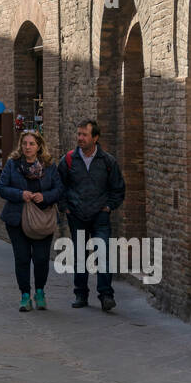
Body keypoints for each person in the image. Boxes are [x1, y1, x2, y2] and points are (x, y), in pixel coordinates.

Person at [58, 119, 126, 312]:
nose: (80, 138)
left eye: (84, 134)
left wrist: (108, 207)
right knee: (80, 256)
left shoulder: (107, 161)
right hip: (76, 215)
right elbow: (59, 185)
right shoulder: (69, 160)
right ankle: (81, 294)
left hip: (100, 216)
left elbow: (118, 188)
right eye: (79, 134)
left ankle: (106, 295)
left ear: (95, 138)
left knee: (103, 254)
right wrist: (65, 207)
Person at [0, 129, 64, 312]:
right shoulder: (12, 165)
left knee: (42, 259)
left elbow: (59, 189)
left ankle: (40, 292)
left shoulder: (49, 166)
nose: (28, 147)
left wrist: (45, 196)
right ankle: (25, 295)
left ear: (39, 146)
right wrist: (20, 194)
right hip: (17, 219)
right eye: (25, 144)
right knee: (22, 258)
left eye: (31, 144)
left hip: (42, 220)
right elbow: (1, 187)